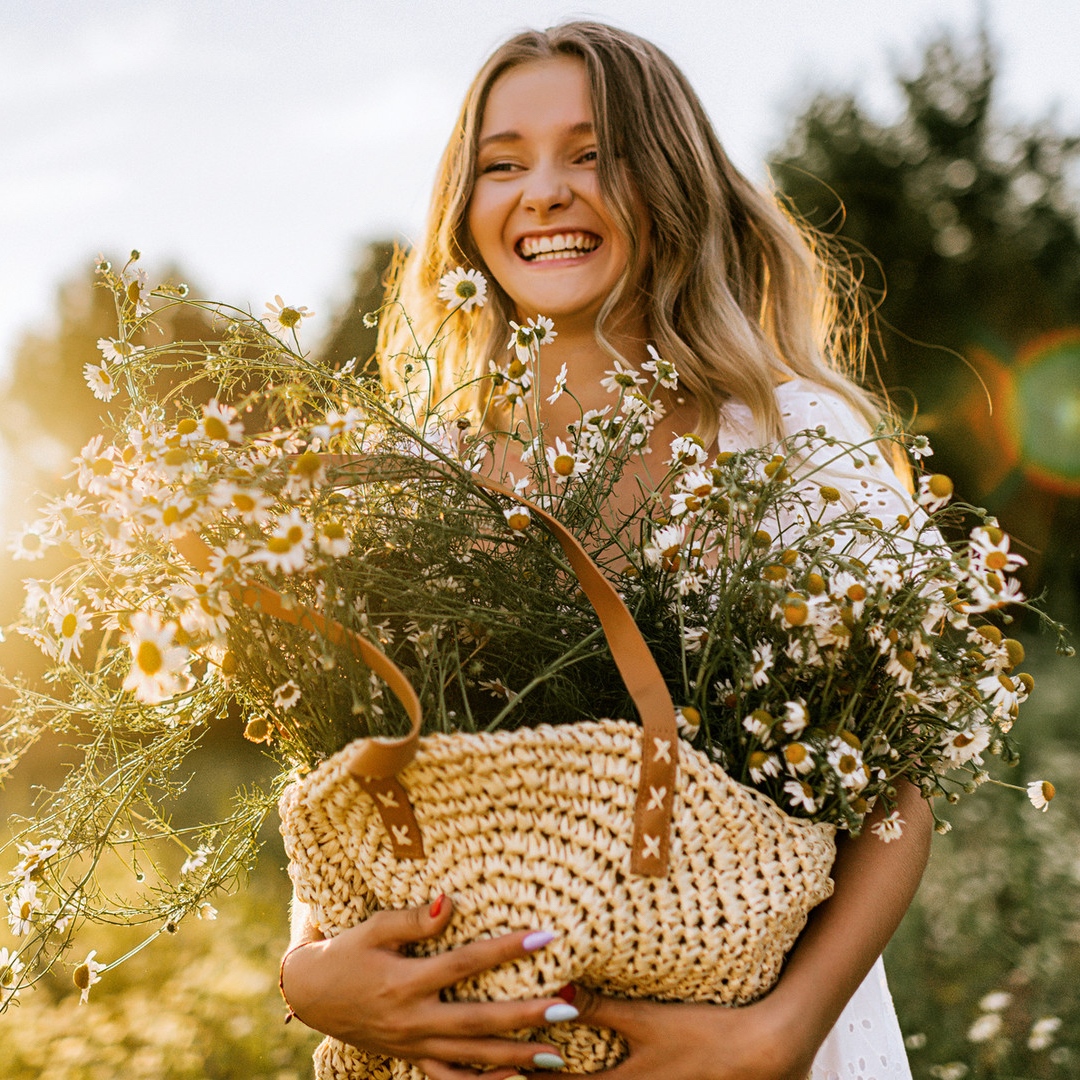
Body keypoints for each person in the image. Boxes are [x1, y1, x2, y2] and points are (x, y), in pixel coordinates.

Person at [279, 21, 931, 1080]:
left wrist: (781, 1033)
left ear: (669, 180)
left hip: (747, 1048)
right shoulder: (414, 474)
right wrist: (309, 977)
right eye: (503, 164)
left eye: (593, 155)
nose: (544, 191)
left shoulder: (787, 438)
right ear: (466, 208)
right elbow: (356, 791)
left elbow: (896, 789)